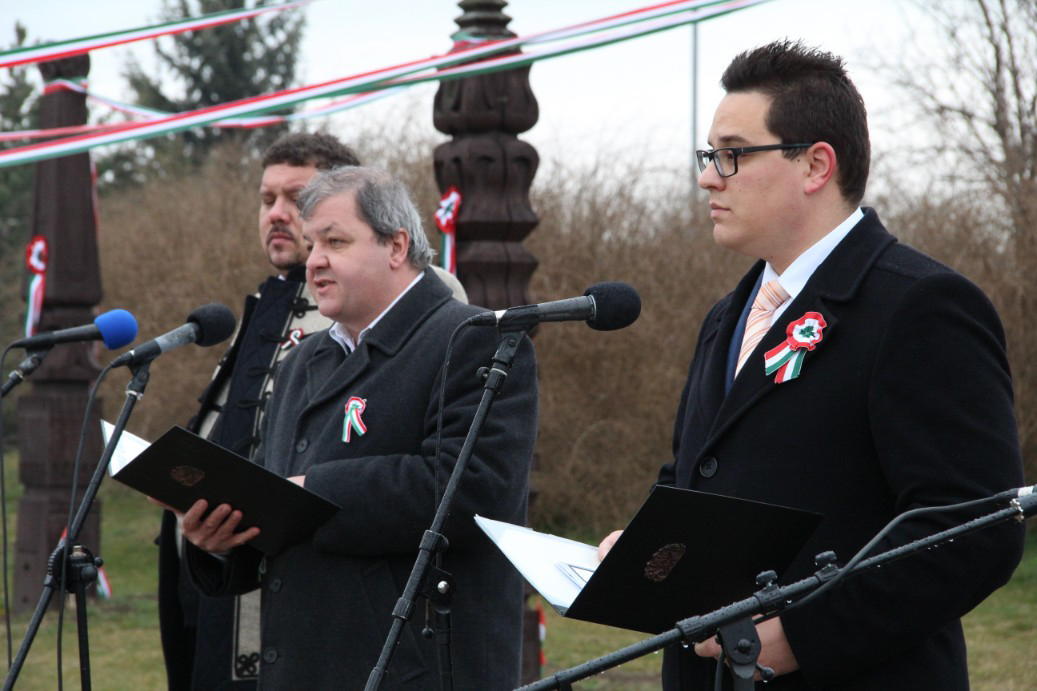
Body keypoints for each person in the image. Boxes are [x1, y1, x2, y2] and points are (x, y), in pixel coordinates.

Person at [599, 40, 1025, 689]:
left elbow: (973, 528)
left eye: (732, 154)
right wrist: (641, 550)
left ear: (815, 165)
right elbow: (701, 476)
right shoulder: (727, 316)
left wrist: (802, 634)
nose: (708, 177)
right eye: (708, 155)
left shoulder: (920, 306)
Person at [175, 166, 538, 689]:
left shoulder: (476, 340)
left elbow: (472, 492)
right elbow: (278, 514)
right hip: (301, 668)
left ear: (396, 246)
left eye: (335, 242)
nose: (314, 260)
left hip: (414, 672)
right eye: (311, 244)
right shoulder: (299, 364)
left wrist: (311, 492)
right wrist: (220, 538)